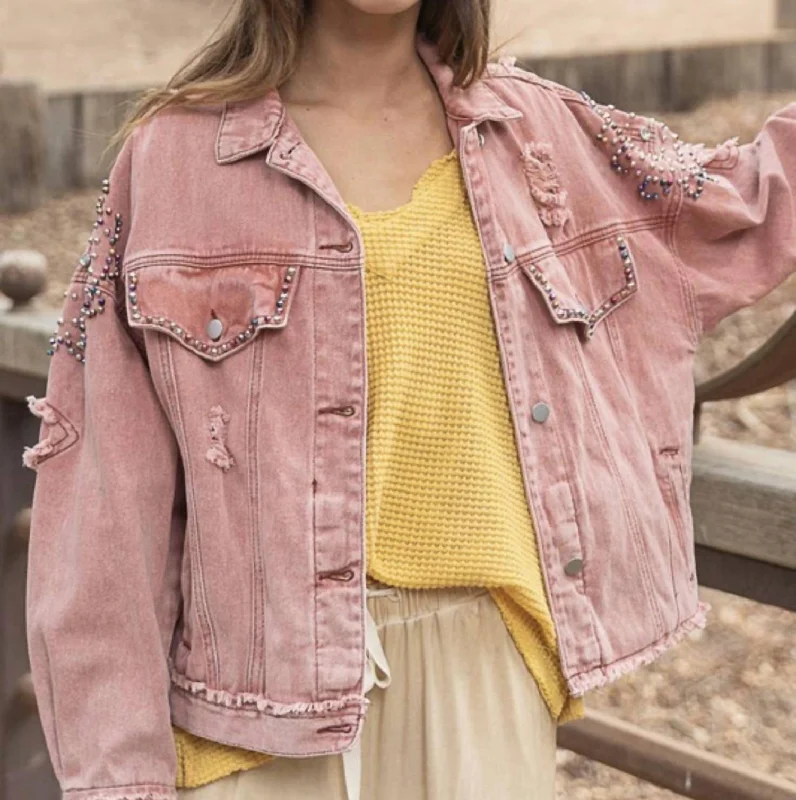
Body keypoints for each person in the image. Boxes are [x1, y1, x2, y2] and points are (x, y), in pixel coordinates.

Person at [22, 0, 796, 798]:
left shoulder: (536, 135)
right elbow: (102, 502)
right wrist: (119, 777)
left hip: (485, 686)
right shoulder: (173, 158)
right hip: (252, 721)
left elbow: (741, 212)